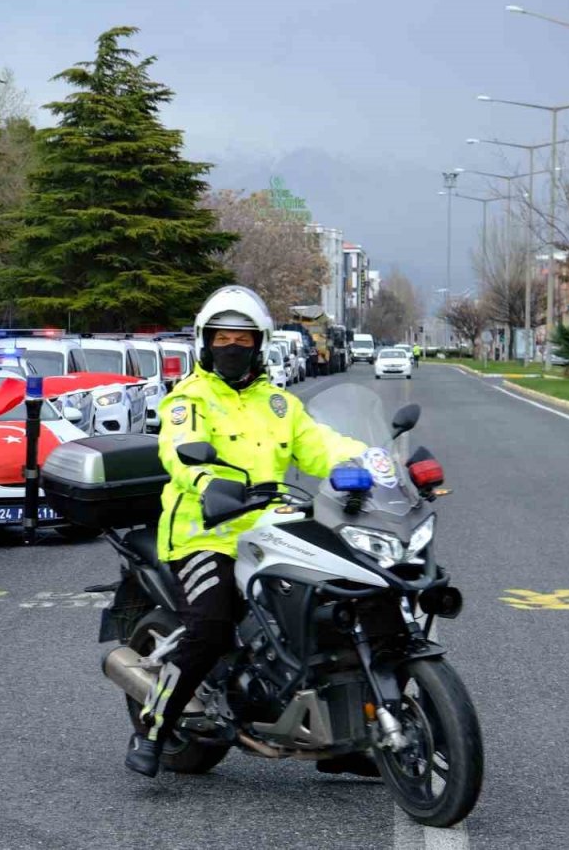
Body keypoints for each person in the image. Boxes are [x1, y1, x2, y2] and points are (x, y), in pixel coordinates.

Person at [125, 286, 366, 778]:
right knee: (211, 627)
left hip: (270, 530)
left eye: (242, 338)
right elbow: (180, 450)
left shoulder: (278, 404)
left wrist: (364, 463)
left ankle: (344, 740)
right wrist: (210, 482)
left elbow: (318, 443)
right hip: (203, 534)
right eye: (222, 337)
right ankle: (153, 725)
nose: (232, 346)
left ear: (260, 344)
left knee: (331, 610)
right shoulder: (187, 399)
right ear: (205, 342)